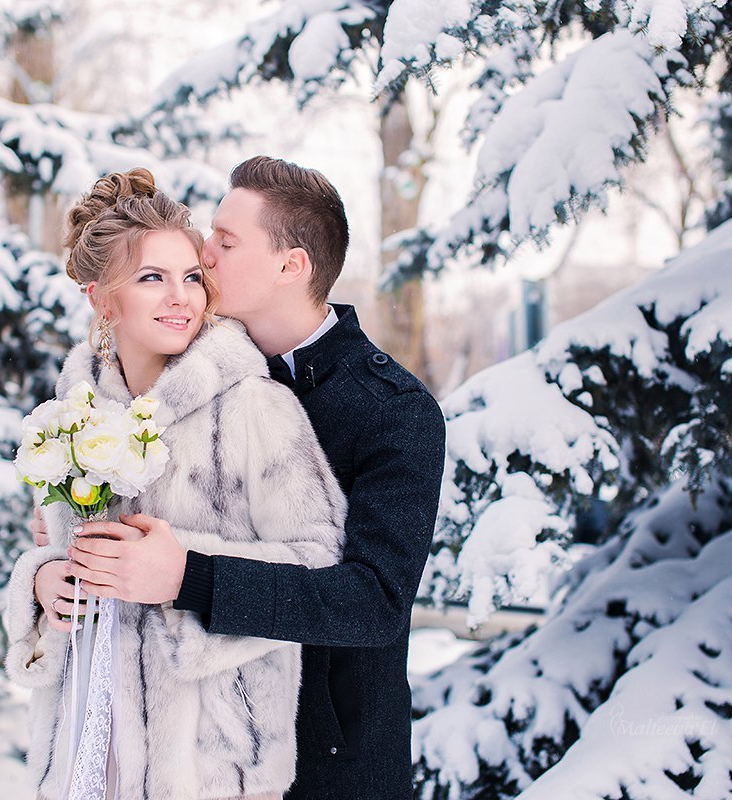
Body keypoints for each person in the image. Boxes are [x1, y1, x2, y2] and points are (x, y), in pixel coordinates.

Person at [34, 156, 446, 798]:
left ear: (291, 266)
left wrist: (186, 575)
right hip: (181, 752)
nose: (204, 252)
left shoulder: (393, 410)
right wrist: (56, 565)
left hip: (330, 758)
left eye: (224, 243)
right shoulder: (170, 376)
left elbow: (376, 603)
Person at [4, 168, 346, 800]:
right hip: (85, 743)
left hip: (210, 763)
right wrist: (42, 584)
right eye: (152, 278)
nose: (182, 297)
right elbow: (55, 548)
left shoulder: (252, 408)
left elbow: (320, 568)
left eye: (192, 276)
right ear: (101, 297)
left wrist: (184, 573)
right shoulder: (70, 416)